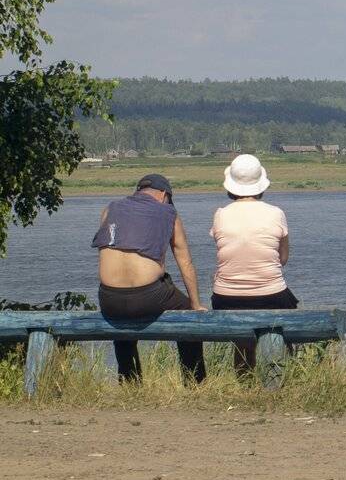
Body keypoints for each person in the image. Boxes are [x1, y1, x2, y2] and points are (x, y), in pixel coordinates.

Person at [92, 173, 206, 382]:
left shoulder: (110, 209)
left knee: (121, 323)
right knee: (188, 315)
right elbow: (185, 263)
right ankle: (194, 381)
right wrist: (196, 304)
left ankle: (129, 380)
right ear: (163, 195)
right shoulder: (169, 213)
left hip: (109, 299)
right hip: (149, 296)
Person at [210, 154, 296, 376]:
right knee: (288, 312)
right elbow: (283, 258)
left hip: (225, 298)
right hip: (271, 295)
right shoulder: (276, 213)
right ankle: (280, 375)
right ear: (261, 185)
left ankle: (244, 377)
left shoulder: (220, 215)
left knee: (243, 339)